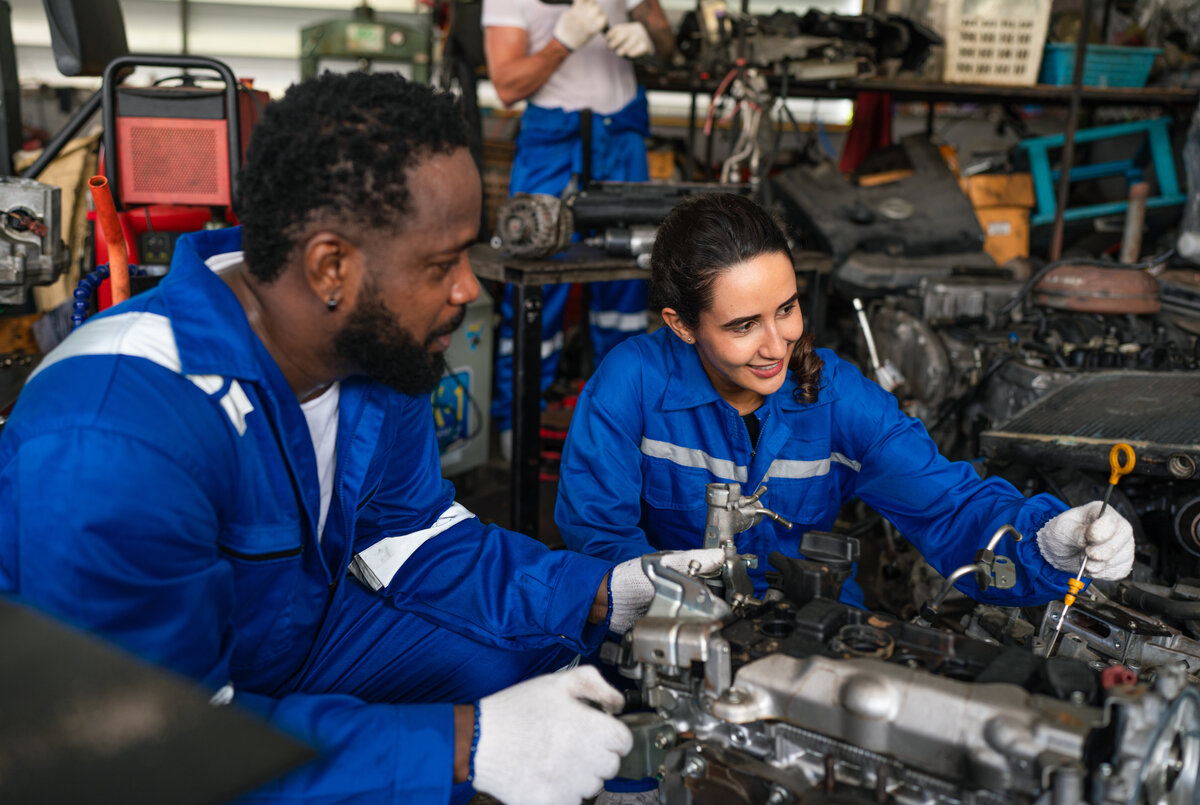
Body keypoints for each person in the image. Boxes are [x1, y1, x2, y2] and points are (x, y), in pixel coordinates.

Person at [0, 72, 721, 805]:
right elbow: (148, 754)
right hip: (129, 730)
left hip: (290, 634)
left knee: (553, 666)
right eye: (441, 265)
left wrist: (602, 591)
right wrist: (474, 742)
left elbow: (416, 536)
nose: (470, 288)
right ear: (330, 267)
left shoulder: (368, 356)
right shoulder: (114, 437)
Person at [556, 192, 1136, 609]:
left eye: (786, 309)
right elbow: (600, 539)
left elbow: (949, 506)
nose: (775, 344)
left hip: (815, 636)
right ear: (682, 326)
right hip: (669, 640)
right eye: (742, 326)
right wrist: (673, 605)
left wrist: (1048, 542)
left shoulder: (835, 397)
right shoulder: (629, 383)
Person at [482, 0, 675, 454]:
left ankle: (623, 435)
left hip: (622, 133)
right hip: (551, 140)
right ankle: (518, 434)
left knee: (628, 285)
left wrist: (651, 41)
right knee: (533, 287)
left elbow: (670, 47)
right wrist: (561, 42)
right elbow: (507, 86)